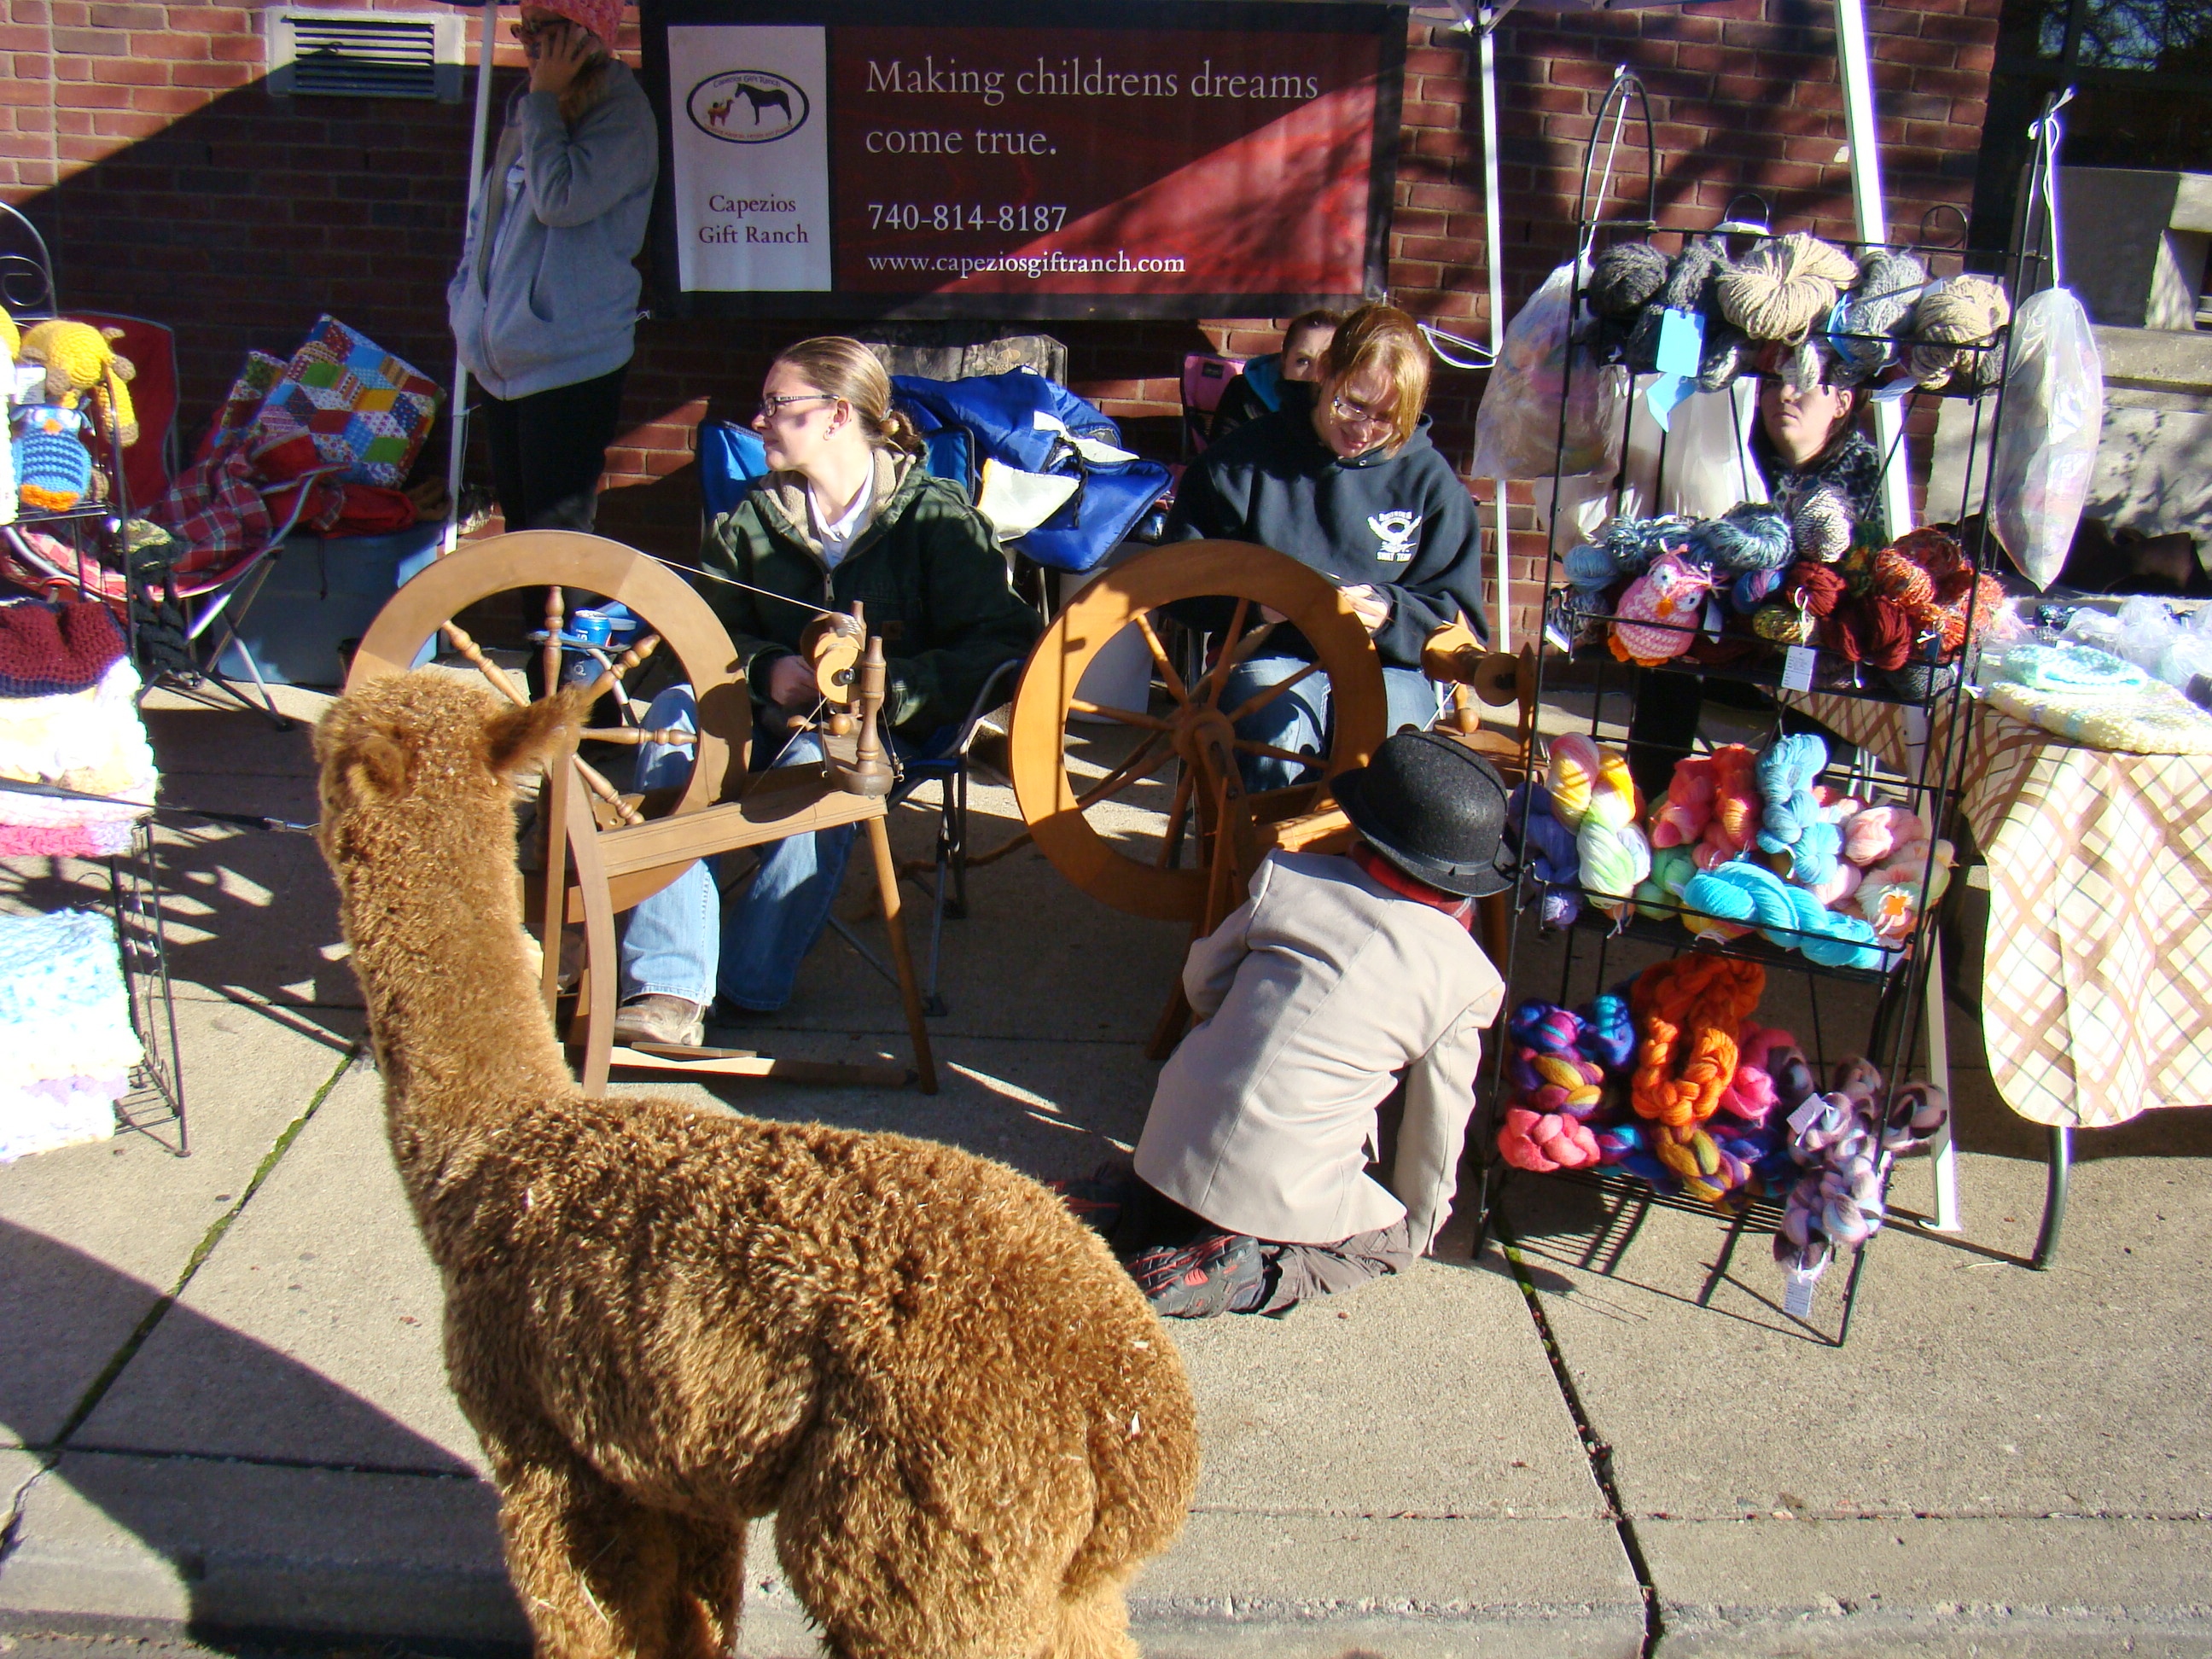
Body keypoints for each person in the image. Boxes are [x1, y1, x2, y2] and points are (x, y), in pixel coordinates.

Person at [611, 338, 1042, 1046]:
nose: (760, 420)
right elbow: (699, 637)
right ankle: (669, 988)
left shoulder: (934, 519)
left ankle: (749, 977)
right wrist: (767, 667)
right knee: (670, 716)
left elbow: (1002, 642)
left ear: (839, 415)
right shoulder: (752, 518)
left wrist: (888, 691)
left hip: (883, 731)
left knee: (821, 757)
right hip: (753, 715)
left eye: (779, 404)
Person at [1060, 732, 1511, 1318]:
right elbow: (1439, 1126)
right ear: (1463, 893)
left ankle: (1129, 1207)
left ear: (1363, 833)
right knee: (1388, 1246)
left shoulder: (1289, 882)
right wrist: (1419, 1224)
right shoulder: (1465, 977)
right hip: (1276, 1187)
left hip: (1167, 1145)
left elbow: (1201, 982)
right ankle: (1249, 1275)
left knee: (1213, 1167)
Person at [1167, 304, 1489, 790]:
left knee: (1394, 757)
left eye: (1386, 418)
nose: (1363, 429)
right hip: (1270, 651)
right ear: (1325, 373)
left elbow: (1460, 622)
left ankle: (1365, 863)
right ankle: (1259, 860)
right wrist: (1258, 607)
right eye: (1352, 404)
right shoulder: (1241, 463)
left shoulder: (1431, 485)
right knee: (1272, 736)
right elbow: (1178, 582)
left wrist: (1391, 614)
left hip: (1390, 662)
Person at [1623, 370, 1887, 800]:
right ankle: (1654, 800)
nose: (1784, 395)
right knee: (1668, 644)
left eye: (1803, 383)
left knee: (1823, 670)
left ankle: (1779, 811)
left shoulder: (1869, 478)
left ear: (1841, 401)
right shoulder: (1727, 457)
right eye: (1772, 383)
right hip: (1728, 642)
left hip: (1808, 654)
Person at [447, 0, 655, 533]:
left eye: (543, 30)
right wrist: (466, 301)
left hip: (568, 357)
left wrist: (542, 101)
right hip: (502, 360)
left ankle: (561, 624)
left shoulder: (620, 113)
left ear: (584, 34)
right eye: (525, 29)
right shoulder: (531, 105)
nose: (529, 43)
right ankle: (534, 624)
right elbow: (487, 214)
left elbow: (560, 202)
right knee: (521, 535)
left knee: (557, 541)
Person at [1207, 307, 1342, 445]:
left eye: (1327, 364)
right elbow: (1222, 458)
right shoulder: (1243, 393)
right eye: (1303, 361)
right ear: (1284, 361)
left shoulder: (1351, 410)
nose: (1314, 376)